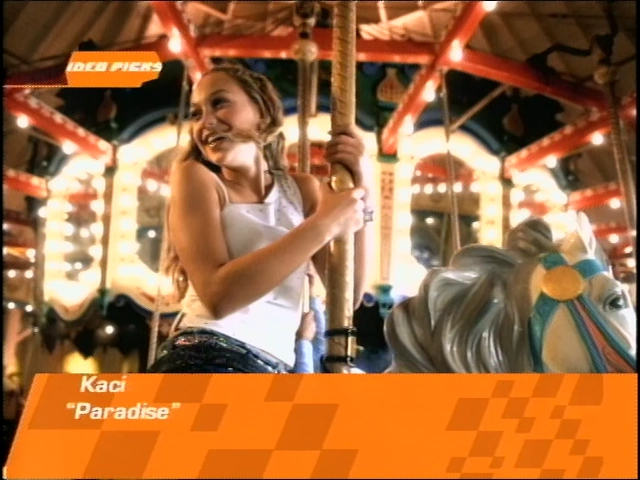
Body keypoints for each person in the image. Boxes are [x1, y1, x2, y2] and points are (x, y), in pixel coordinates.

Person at [147, 63, 373, 374]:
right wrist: (323, 225)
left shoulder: (302, 191)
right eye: (197, 114)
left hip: (274, 366)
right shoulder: (196, 178)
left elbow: (347, 296)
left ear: (262, 113)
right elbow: (217, 296)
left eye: (219, 103)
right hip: (208, 353)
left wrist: (362, 184)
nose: (205, 122)